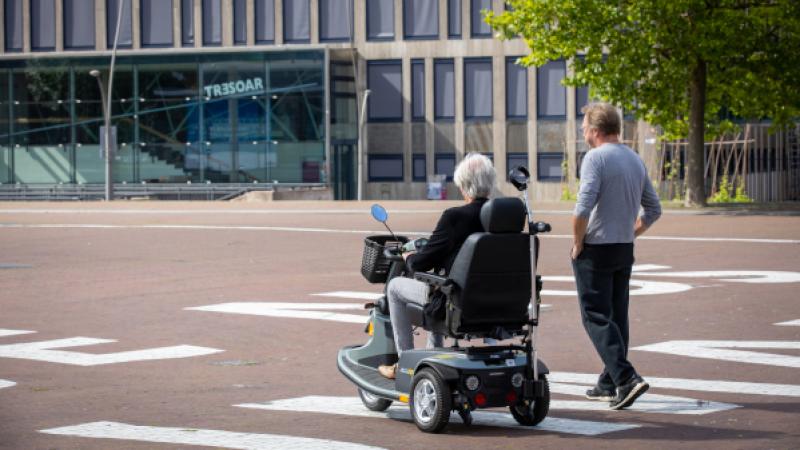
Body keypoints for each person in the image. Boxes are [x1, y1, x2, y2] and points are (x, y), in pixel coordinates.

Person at [571, 102, 662, 410]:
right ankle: (608, 383)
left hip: (596, 247)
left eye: (584, 127)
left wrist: (577, 241)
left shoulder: (595, 158)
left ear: (595, 131)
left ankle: (626, 378)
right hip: (624, 247)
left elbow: (583, 207)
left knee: (594, 315)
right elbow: (654, 209)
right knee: (617, 314)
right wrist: (630, 232)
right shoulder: (634, 158)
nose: (582, 131)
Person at [378, 153, 496, 379]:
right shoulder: (501, 219)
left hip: (458, 300)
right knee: (436, 287)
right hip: (495, 301)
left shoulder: (455, 217)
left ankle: (405, 363)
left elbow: (423, 263)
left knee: (395, 288)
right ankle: (434, 354)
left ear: (463, 186)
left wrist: (409, 256)